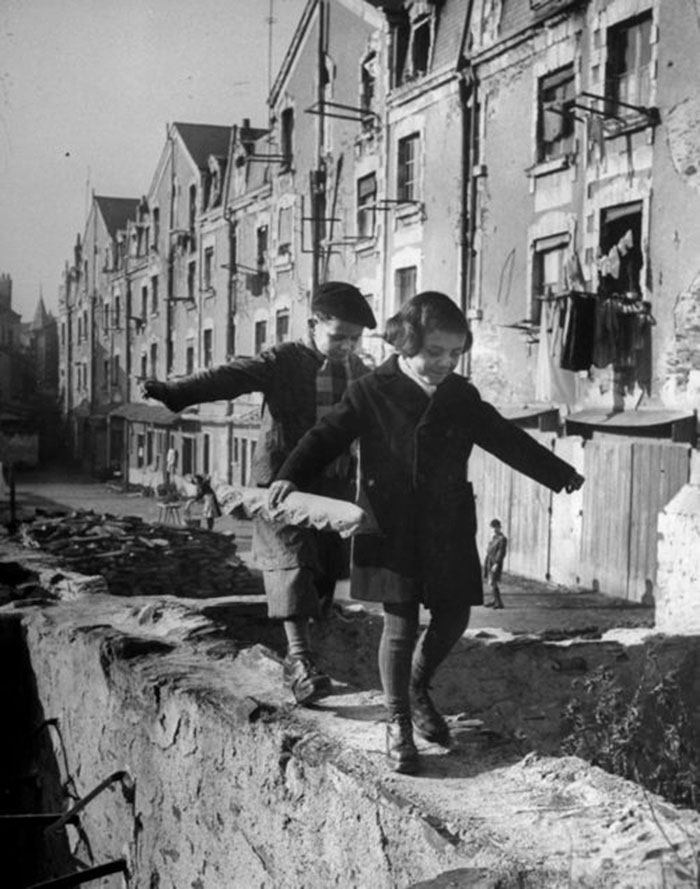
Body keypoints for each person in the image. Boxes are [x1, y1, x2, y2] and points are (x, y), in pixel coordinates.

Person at [268, 291, 585, 775]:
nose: (445, 362)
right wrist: (289, 474)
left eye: (455, 353)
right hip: (389, 526)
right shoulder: (372, 389)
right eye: (435, 352)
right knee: (400, 625)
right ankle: (398, 723)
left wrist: (558, 472)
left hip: (448, 524)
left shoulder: (461, 395)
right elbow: (326, 435)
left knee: (455, 615)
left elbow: (505, 438)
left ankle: (417, 686)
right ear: (406, 341)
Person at [142, 281, 376, 704]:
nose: (346, 346)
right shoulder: (285, 361)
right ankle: (300, 662)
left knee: (323, 571)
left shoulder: (359, 371)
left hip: (335, 485)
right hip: (282, 482)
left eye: (354, 339)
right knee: (292, 562)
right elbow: (232, 376)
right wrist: (176, 392)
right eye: (337, 336)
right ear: (312, 325)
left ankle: (310, 650)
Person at [483, 518, 507, 609]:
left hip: (495, 562)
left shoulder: (502, 539)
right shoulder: (494, 538)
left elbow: (501, 552)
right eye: (492, 528)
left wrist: (496, 563)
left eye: (495, 528)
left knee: (493, 581)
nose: (493, 530)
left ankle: (499, 603)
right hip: (489, 561)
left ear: (499, 527)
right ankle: (495, 600)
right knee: (491, 581)